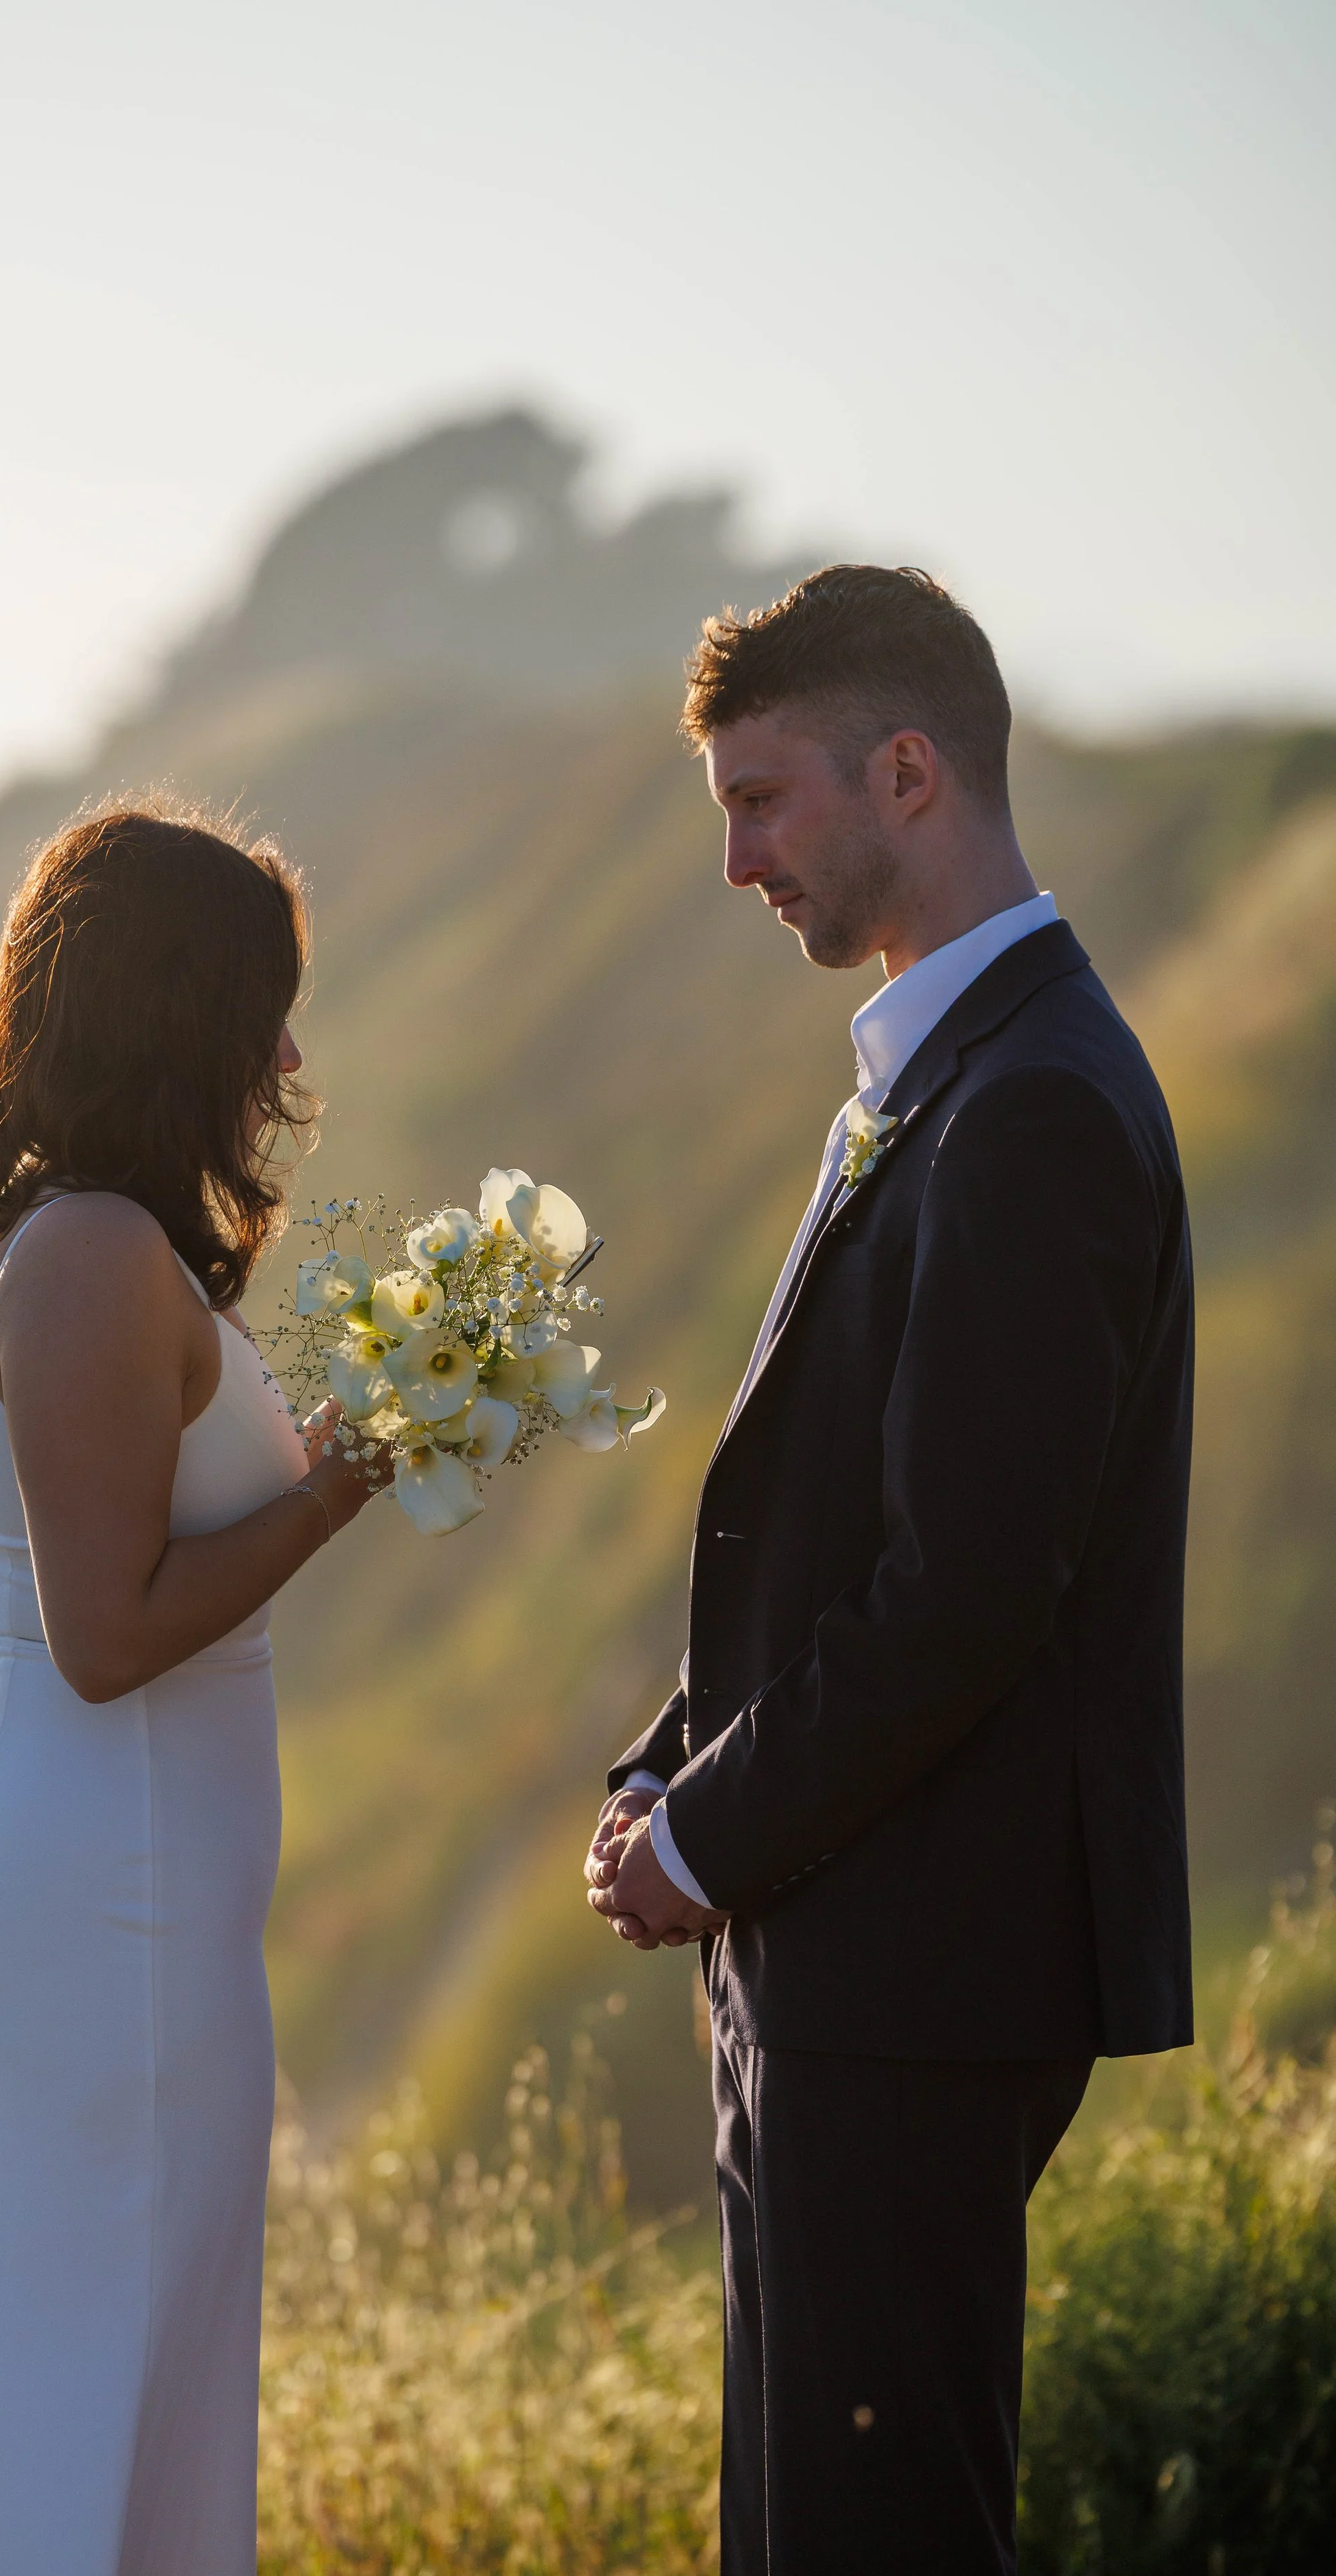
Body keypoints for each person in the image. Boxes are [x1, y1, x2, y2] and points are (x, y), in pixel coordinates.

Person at [585, 567, 1194, 2574]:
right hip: (853, 1939)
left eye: (761, 801)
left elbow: (963, 1591)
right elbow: (840, 1518)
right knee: (803, 2520)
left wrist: (710, 1839)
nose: (737, 858)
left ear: (906, 770)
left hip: (923, 1962)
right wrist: (669, 1768)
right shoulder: (950, 1072)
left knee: (871, 2532)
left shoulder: (1027, 1107)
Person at [0, 802, 382, 2576]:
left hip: (89, 1883)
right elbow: (108, 1633)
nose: (287, 1058)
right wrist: (332, 1491)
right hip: (94, 1904)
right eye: (265, 1007)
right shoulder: (90, 1258)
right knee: (63, 2384)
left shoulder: (40, 1240)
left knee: (55, 2369)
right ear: (179, 1007)